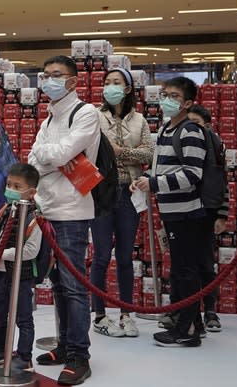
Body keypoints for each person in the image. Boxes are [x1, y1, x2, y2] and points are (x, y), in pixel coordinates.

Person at [28, 55, 99, 385]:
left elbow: (57, 154)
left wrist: (50, 155)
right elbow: (34, 159)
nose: (50, 80)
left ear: (73, 81)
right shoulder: (47, 120)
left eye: (57, 75)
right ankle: (65, 343)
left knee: (73, 287)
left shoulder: (86, 113)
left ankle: (79, 355)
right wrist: (51, 156)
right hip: (45, 208)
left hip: (72, 211)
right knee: (56, 284)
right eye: (46, 75)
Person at [131, 77, 212, 347]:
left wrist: (153, 183)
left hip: (188, 212)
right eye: (164, 93)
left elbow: (192, 174)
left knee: (186, 270)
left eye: (174, 95)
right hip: (171, 210)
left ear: (188, 103)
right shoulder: (166, 129)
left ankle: (187, 330)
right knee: (178, 268)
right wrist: (147, 178)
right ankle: (186, 321)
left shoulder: (190, 131)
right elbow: (164, 168)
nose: (166, 99)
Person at [90, 68, 154, 338]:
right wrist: (124, 156)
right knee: (102, 255)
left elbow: (149, 152)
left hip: (130, 191)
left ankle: (126, 313)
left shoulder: (139, 120)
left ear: (127, 89)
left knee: (126, 256)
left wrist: (120, 152)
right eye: (106, 82)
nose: (110, 87)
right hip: (101, 190)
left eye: (116, 82)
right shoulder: (94, 115)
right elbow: (89, 149)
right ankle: (100, 314)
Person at [0, 163, 41, 372]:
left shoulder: (34, 217)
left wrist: (1, 254)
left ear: (31, 192)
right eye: (8, 184)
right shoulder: (5, 210)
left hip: (21, 276)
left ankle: (24, 356)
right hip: (0, 273)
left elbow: (31, 250)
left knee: (23, 317)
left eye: (17, 186)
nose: (10, 189)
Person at [184, 104, 226, 332]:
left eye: (196, 124)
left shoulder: (216, 144)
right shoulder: (181, 144)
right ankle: (185, 313)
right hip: (182, 212)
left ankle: (210, 311)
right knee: (183, 265)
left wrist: (222, 214)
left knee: (206, 264)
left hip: (207, 211)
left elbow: (222, 182)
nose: (191, 129)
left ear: (207, 126)